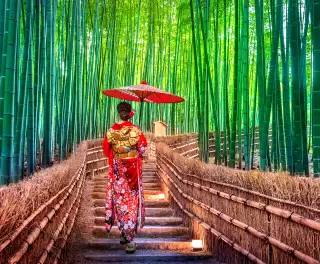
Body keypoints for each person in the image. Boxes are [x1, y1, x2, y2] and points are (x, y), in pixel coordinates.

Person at [102, 102, 147, 254]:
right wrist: (132, 147)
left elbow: (106, 150)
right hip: (132, 169)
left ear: (118, 113)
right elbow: (142, 148)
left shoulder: (110, 131)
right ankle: (130, 240)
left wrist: (119, 150)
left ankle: (123, 232)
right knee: (131, 202)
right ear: (129, 113)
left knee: (120, 200)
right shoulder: (136, 130)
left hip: (117, 170)